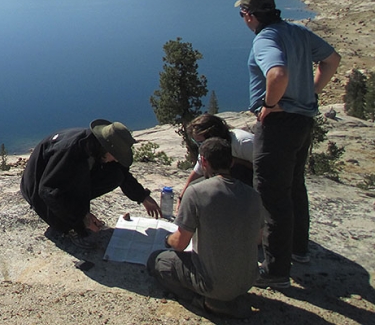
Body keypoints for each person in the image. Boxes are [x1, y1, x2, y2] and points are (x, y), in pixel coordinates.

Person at [236, 0, 341, 289]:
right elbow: (332, 60)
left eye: (242, 14)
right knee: (294, 185)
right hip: (302, 122)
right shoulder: (297, 32)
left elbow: (277, 74)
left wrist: (270, 105)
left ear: (250, 15)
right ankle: (299, 250)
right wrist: (310, 93)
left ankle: (276, 270)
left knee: (271, 194)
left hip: (278, 126)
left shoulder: (265, 38)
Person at [148, 138, 262, 319]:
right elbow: (258, 240)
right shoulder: (253, 195)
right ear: (231, 162)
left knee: (158, 261)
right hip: (248, 280)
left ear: (204, 162)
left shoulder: (196, 192)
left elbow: (179, 244)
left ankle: (206, 303)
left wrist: (167, 239)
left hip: (214, 284)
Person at [20, 119, 162, 249]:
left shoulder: (94, 147)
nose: (117, 160)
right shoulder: (71, 151)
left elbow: (121, 172)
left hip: (63, 180)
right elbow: (48, 191)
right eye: (116, 155)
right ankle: (72, 229)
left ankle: (77, 213)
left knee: (115, 174)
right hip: (38, 188)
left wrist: (142, 197)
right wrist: (82, 219)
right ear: (107, 147)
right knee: (69, 212)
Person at [177, 114, 254, 206]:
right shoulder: (207, 148)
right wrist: (182, 197)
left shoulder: (243, 142)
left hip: (250, 182)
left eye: (200, 142)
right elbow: (197, 172)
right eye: (196, 142)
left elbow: (265, 167)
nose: (200, 145)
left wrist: (235, 161)